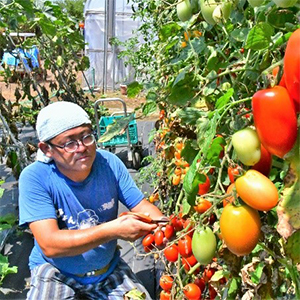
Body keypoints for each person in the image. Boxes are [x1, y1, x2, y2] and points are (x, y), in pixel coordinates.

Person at [18, 101, 165, 300]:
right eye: (69, 143)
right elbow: (49, 244)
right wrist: (112, 230)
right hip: (55, 273)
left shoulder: (109, 163)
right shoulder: (35, 177)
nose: (82, 148)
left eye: (87, 136)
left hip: (107, 270)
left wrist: (166, 227)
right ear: (47, 149)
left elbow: (141, 205)